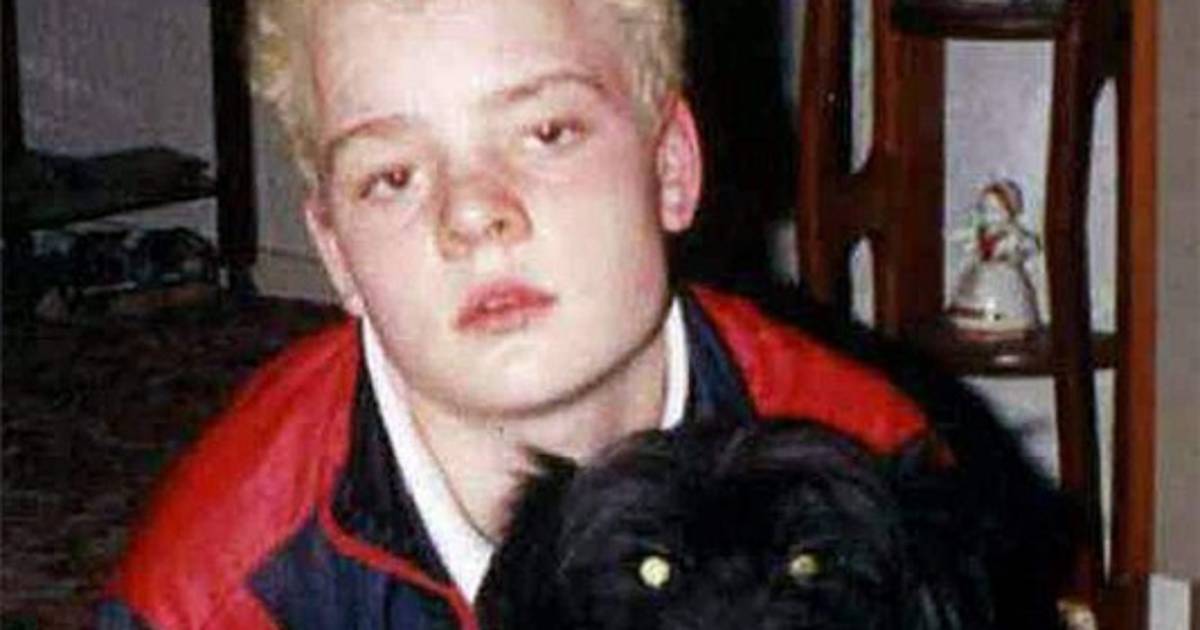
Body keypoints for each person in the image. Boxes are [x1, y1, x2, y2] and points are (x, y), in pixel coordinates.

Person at [98, 0, 936, 627]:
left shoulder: (879, 462)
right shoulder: (217, 595)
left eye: (547, 132)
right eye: (392, 177)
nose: (472, 212)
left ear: (671, 167)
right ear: (338, 253)